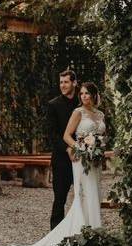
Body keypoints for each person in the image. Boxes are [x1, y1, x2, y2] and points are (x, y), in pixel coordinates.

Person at [0, 82, 106, 246]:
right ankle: (83, 238)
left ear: (94, 95)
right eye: (81, 94)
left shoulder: (100, 115)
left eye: (87, 93)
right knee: (84, 196)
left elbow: (101, 136)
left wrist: (99, 148)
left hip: (95, 162)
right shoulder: (77, 112)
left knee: (95, 194)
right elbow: (66, 135)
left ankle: (96, 238)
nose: (83, 97)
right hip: (81, 161)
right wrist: (81, 148)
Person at [47, 70, 80, 230]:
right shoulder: (53, 105)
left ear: (74, 83)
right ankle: (55, 236)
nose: (62, 85)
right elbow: (52, 134)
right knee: (59, 199)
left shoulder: (82, 103)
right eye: (61, 82)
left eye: (66, 82)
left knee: (83, 197)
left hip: (82, 159)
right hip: (61, 159)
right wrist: (67, 148)